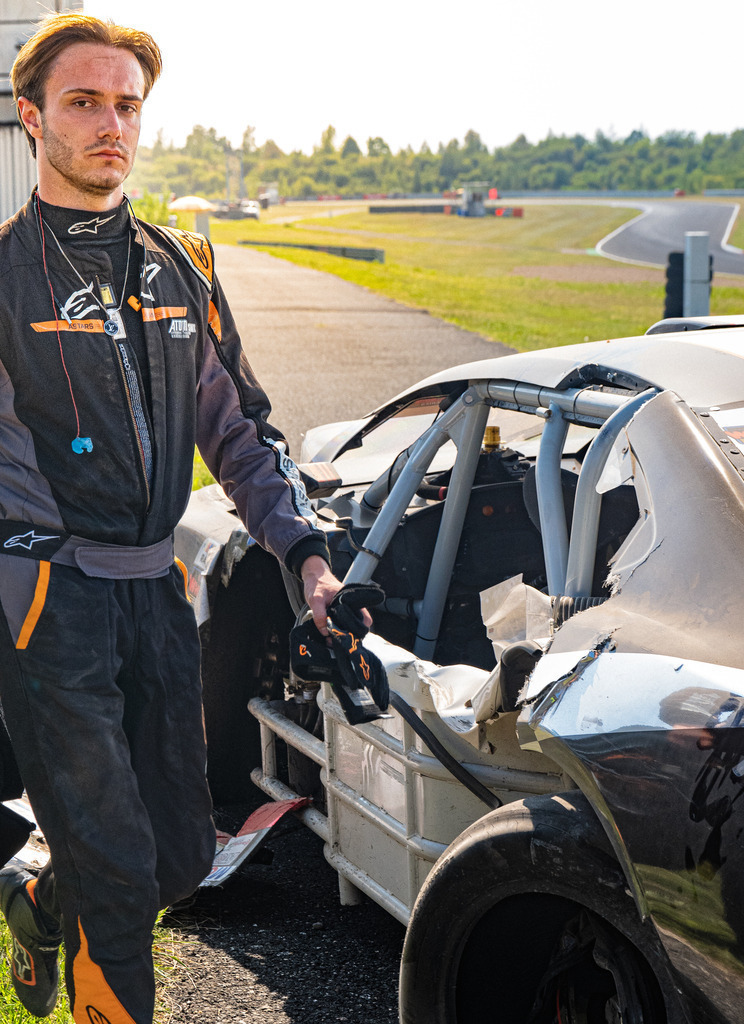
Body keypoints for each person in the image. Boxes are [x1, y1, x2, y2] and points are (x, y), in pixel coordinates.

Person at [0, 12, 348, 1024]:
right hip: (47, 606)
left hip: (157, 594)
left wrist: (309, 561)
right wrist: (31, 595)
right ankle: (84, 917)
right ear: (33, 119)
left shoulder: (179, 267)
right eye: (84, 102)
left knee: (180, 859)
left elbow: (241, 430)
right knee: (117, 878)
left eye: (126, 105)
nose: (111, 124)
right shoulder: (6, 277)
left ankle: (37, 896)